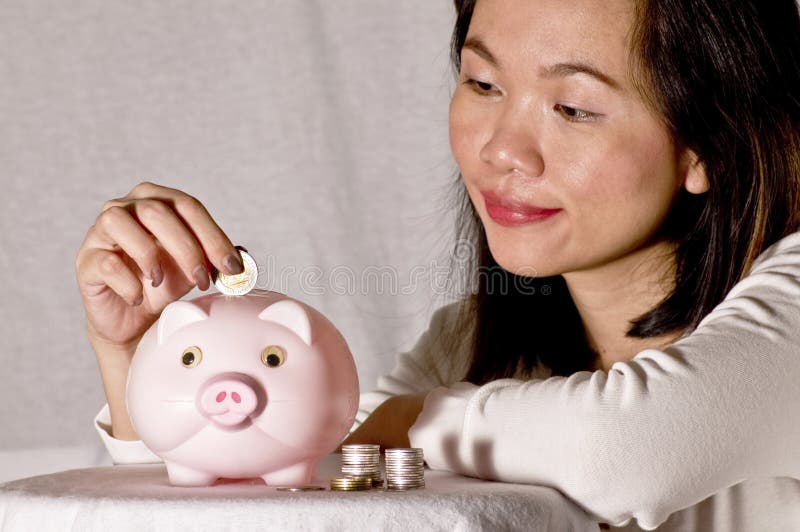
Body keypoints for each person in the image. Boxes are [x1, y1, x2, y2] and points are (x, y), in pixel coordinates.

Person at [76, 0, 800, 530]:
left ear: (707, 142)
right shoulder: (470, 344)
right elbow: (285, 508)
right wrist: (147, 359)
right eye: (483, 84)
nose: (501, 150)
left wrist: (384, 422)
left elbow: (632, 448)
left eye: (573, 107)